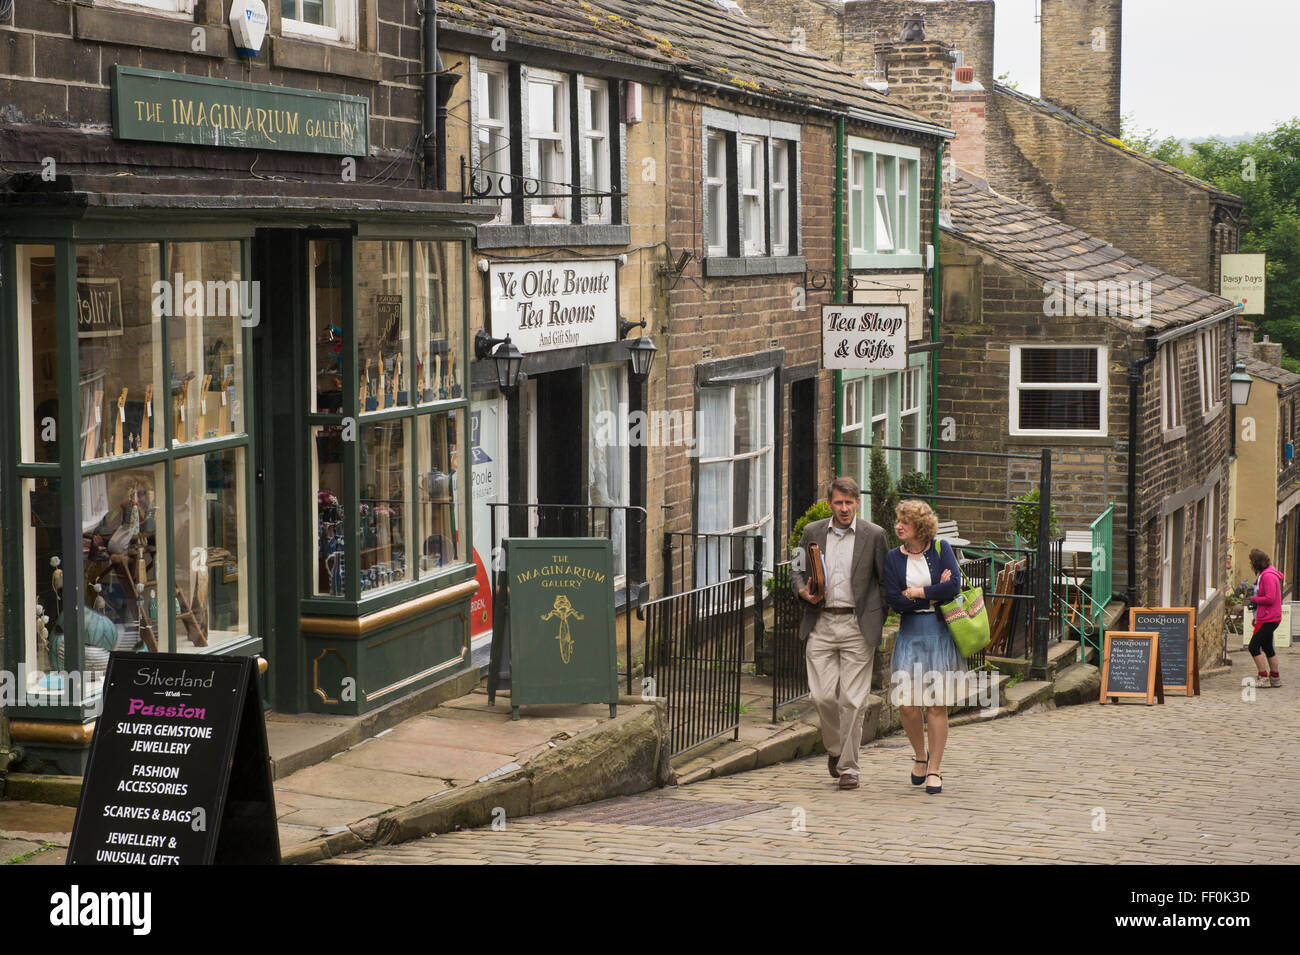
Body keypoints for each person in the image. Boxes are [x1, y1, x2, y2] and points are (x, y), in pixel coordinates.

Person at [790, 477, 887, 790]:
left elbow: (885, 580)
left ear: (857, 503)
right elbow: (795, 566)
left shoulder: (875, 535)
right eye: (838, 503)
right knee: (821, 696)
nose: (844, 508)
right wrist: (801, 590)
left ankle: (849, 768)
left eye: (849, 502)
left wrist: (877, 616)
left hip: (857, 627)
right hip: (821, 623)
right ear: (829, 504)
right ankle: (834, 750)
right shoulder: (812, 532)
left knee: (852, 700)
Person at [883, 499, 965, 794]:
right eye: (898, 521)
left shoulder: (942, 550)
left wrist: (917, 592)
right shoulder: (893, 557)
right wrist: (931, 596)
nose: (899, 526)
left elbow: (953, 586)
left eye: (905, 521)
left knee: (936, 703)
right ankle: (920, 754)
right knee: (907, 705)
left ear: (921, 526)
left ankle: (935, 768)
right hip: (910, 634)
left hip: (938, 633)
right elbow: (894, 599)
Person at [1247, 549, 1283, 688]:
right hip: (1267, 616)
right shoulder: (1266, 573)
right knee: (1268, 647)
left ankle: (1263, 677)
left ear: (1256, 562)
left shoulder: (1268, 576)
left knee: (1253, 646)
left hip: (1269, 617)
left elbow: (1270, 598)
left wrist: (1253, 599)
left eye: (1252, 562)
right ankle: (1275, 677)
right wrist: (1256, 617)